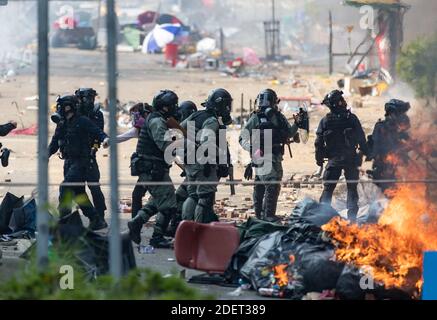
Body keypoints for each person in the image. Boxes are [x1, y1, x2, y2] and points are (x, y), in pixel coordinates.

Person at [127, 90, 179, 248]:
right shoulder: (157, 121)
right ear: (165, 107)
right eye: (173, 106)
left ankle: (136, 222)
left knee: (158, 201)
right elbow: (163, 144)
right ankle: (157, 238)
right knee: (169, 205)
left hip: (153, 168)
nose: (175, 108)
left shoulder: (157, 118)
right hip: (152, 169)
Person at [239, 89, 301, 222]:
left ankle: (259, 216)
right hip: (269, 158)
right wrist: (251, 148)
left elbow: (288, 134)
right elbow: (242, 137)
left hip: (266, 157)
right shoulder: (272, 117)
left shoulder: (260, 117)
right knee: (272, 185)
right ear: (274, 101)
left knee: (260, 184)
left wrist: (297, 123)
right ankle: (268, 216)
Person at [48, 95, 109, 230]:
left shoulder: (82, 121)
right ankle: (96, 220)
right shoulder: (63, 123)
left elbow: (99, 133)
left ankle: (64, 221)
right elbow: (55, 142)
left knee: (65, 188)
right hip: (69, 162)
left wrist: (104, 140)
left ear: (69, 107)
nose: (59, 109)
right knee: (78, 193)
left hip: (82, 162)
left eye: (62, 106)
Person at [315, 90, 368, 222]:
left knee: (328, 189)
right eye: (342, 100)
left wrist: (319, 160)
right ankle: (352, 219)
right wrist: (363, 153)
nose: (344, 102)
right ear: (338, 103)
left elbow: (318, 143)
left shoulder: (325, 121)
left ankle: (323, 218)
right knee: (352, 188)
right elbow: (362, 139)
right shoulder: (352, 118)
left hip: (334, 160)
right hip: (350, 159)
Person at [181, 88, 233, 223]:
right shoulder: (212, 121)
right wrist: (220, 155)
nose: (228, 109)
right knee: (205, 197)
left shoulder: (196, 115)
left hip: (190, 161)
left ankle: (186, 226)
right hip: (204, 164)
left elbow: (179, 129)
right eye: (227, 106)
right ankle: (199, 227)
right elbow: (206, 141)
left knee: (193, 196)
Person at [75, 88, 107, 221]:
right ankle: (92, 215)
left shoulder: (96, 114)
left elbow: (98, 134)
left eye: (92, 98)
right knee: (77, 189)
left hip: (89, 156)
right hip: (74, 157)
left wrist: (94, 148)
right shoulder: (73, 112)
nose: (90, 101)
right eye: (88, 98)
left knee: (94, 186)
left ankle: (100, 215)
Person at [116, 102, 152, 218]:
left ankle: (136, 224)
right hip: (149, 169)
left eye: (136, 115)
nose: (135, 119)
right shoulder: (145, 127)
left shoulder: (154, 126)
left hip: (153, 169)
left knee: (139, 196)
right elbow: (125, 136)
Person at [367, 99, 411, 192]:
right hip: (384, 165)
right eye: (399, 113)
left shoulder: (399, 129)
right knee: (386, 191)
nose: (402, 116)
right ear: (391, 113)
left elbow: (409, 142)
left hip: (399, 165)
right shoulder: (381, 127)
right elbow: (376, 145)